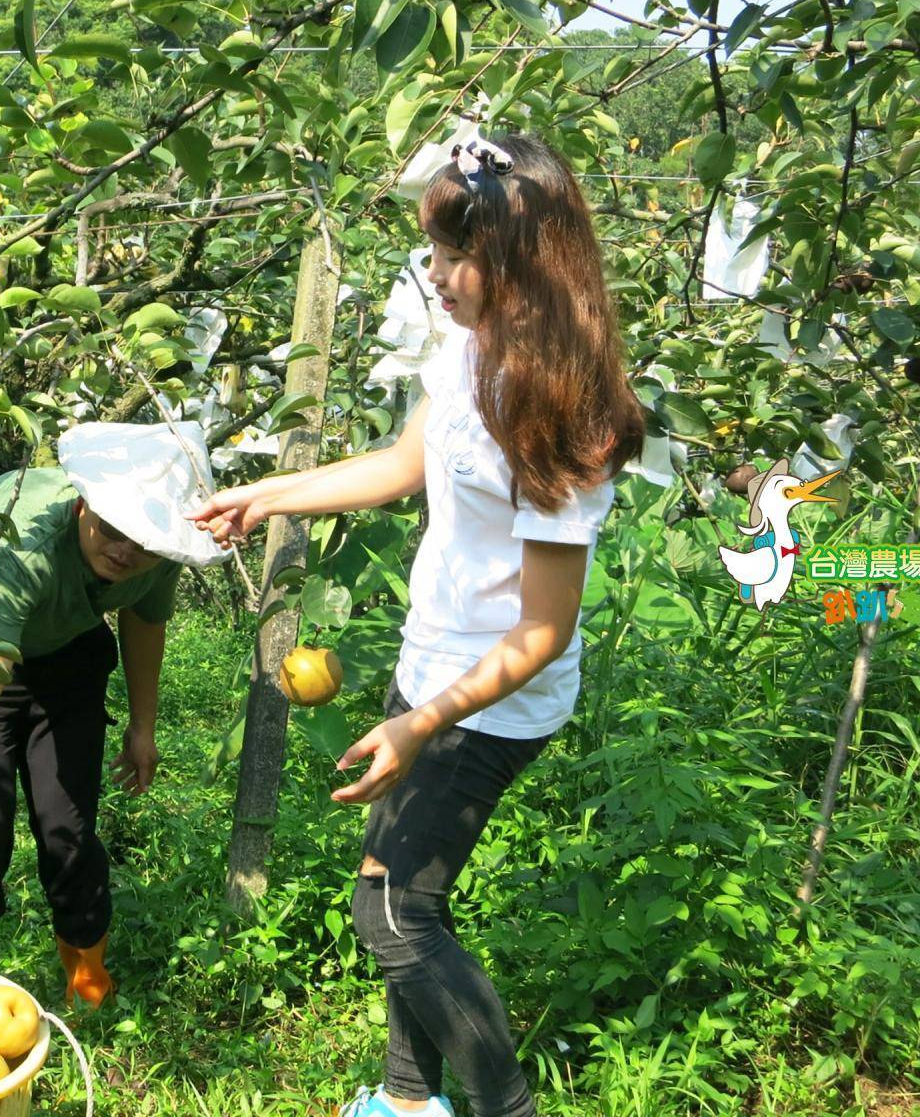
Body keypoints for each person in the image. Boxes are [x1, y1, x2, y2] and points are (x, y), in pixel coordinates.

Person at [188, 132, 643, 1117]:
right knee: (397, 892)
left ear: (523, 264)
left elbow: (544, 633)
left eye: (453, 256)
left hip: (489, 701)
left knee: (392, 913)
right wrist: (274, 494)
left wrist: (419, 723)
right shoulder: (466, 347)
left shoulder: (564, 413)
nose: (434, 276)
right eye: (432, 252)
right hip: (431, 661)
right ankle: (406, 1104)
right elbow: (402, 466)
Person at [0, 421, 229, 1006]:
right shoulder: (21, 550)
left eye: (144, 545)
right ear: (84, 505)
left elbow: (145, 621)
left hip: (67, 653)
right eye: (113, 530)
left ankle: (88, 981)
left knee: (68, 830)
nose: (126, 551)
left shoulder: (161, 542)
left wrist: (142, 727)